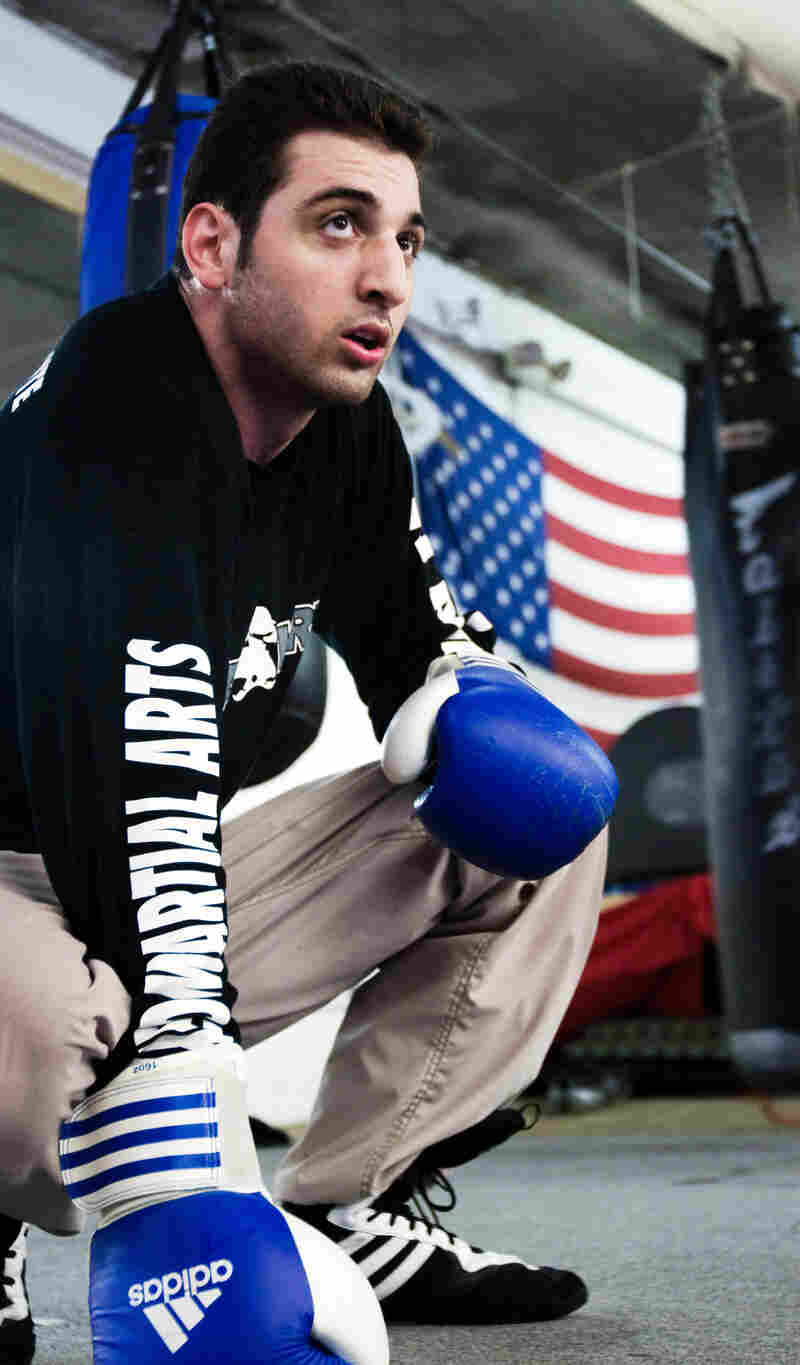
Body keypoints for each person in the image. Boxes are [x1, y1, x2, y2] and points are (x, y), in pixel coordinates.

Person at [0, 60, 611, 1363]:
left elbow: (423, 650)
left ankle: (347, 1201)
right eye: (339, 225)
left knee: (537, 804)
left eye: (406, 238)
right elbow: (145, 751)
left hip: (139, 880)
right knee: (38, 1033)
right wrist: (182, 1144)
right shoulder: (119, 393)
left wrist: (459, 688)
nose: (387, 277)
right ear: (211, 245)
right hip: (23, 879)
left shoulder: (347, 435)